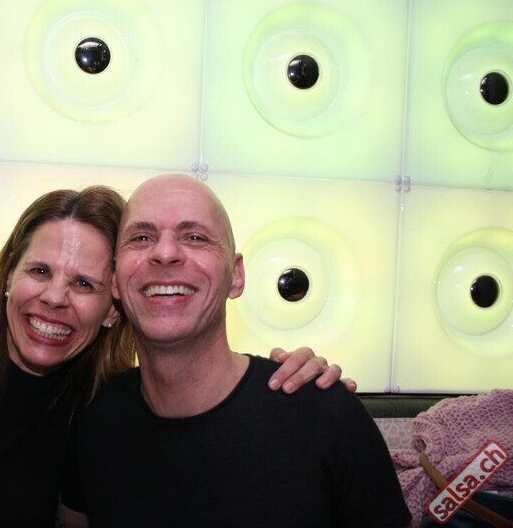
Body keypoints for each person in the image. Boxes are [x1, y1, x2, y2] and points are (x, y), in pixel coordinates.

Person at [0, 186, 343, 528]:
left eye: (83, 283)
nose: (55, 297)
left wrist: (294, 382)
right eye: (39, 271)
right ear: (9, 276)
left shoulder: (106, 417)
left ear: (112, 307)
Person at [60, 175, 412, 527]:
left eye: (195, 237)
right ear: (115, 281)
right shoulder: (94, 420)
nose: (164, 253)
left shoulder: (326, 415)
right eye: (141, 238)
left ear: (237, 275)